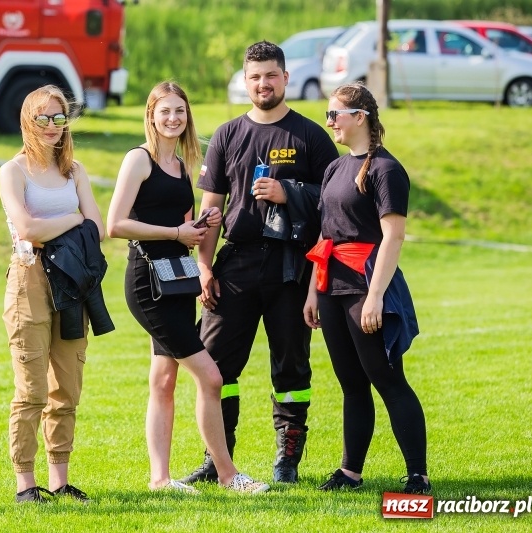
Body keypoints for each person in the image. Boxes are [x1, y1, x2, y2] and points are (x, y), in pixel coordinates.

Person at [181, 41, 339, 485]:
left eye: (271, 75)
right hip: (237, 264)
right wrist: (205, 267)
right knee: (214, 365)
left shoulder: (310, 136)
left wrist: (290, 193)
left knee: (290, 366)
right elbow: (210, 209)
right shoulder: (229, 135)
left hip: (292, 266)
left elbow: (334, 209)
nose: (263, 84)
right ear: (245, 81)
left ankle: (287, 459)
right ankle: (219, 458)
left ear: (285, 78)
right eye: (255, 77)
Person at [107, 81, 270, 495]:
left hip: (178, 282)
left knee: (163, 380)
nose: (173, 118)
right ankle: (229, 474)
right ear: (151, 115)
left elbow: (184, 229)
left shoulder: (181, 165)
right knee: (211, 377)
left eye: (180, 111)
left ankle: (160, 479)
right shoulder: (138, 160)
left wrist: (201, 226)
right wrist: (176, 232)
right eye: (165, 111)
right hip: (147, 283)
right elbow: (115, 225)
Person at [303, 83, 430, 494]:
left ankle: (417, 476)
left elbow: (393, 238)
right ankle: (350, 472)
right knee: (351, 383)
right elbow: (325, 235)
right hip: (331, 286)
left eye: (334, 114)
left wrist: (375, 296)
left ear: (360, 117)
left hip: (366, 286)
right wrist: (312, 292)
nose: (329, 123)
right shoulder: (335, 169)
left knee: (387, 378)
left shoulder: (386, 170)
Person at [0, 85, 112, 504]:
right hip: (28, 279)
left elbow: (97, 228)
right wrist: (71, 217)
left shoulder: (75, 170)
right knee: (31, 391)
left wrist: (68, 224)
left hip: (71, 283)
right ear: (28, 120)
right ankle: (25, 484)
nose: (52, 126)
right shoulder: (13, 170)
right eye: (43, 118)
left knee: (66, 387)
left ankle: (60, 480)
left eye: (59, 117)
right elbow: (27, 229)